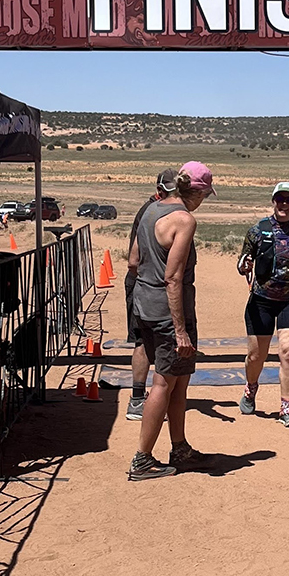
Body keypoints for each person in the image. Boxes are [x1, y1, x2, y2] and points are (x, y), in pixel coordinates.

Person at [127, 161, 215, 480]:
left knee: (178, 380)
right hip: (169, 312)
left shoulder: (150, 210)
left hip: (145, 304)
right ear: (198, 193)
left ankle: (179, 448)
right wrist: (180, 330)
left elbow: (134, 259)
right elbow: (174, 277)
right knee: (163, 383)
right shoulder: (184, 220)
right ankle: (142, 460)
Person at [237, 181, 289, 428]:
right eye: (280, 199)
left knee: (288, 353)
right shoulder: (257, 230)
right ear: (273, 201)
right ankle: (251, 388)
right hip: (261, 301)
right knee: (256, 356)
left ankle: (286, 407)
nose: (284, 204)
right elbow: (242, 262)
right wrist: (244, 266)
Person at [124, 168, 178, 421]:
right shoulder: (153, 213)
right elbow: (133, 260)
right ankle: (144, 400)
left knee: (143, 341)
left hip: (141, 284)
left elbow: (132, 260)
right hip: (149, 285)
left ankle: (138, 398)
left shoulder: (150, 211)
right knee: (150, 342)